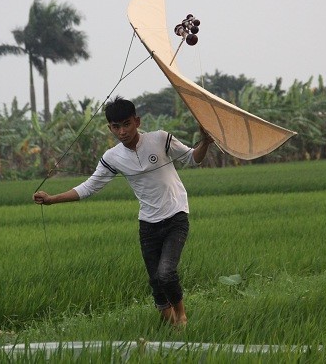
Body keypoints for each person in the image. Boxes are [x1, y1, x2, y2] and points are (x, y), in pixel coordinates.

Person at [33, 96, 213, 328]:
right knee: (156, 284)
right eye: (116, 127)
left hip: (176, 215)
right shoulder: (113, 157)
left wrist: (205, 143)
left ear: (136, 121)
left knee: (166, 273)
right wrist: (51, 200)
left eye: (126, 124)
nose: (122, 131)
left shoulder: (160, 139)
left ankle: (182, 317)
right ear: (110, 128)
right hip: (148, 223)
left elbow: (192, 158)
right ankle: (173, 332)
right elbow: (89, 187)